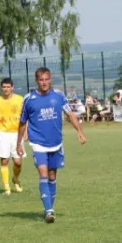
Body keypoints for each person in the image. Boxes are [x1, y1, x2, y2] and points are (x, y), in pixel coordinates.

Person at [16, 67, 86, 224]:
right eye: (41, 80)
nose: (44, 82)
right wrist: (19, 143)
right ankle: (49, 210)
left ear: (50, 79)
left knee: (52, 176)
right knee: (43, 174)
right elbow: (21, 123)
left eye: (46, 79)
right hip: (38, 143)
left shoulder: (58, 96)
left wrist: (79, 131)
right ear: (36, 81)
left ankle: (49, 207)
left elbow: (70, 114)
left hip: (56, 143)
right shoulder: (29, 99)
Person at [0, 78, 26, 196]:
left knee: (18, 162)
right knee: (4, 160)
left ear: (12, 87)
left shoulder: (20, 100)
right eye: (4, 87)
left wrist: (26, 132)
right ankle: (6, 187)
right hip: (3, 133)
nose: (6, 89)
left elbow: (25, 117)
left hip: (17, 134)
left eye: (8, 87)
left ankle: (15, 179)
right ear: (1, 88)